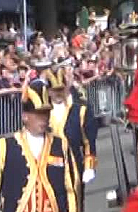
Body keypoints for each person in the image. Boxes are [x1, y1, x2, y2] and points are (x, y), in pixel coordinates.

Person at [0, 81, 79, 212]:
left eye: (46, 113)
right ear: (25, 116)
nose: (43, 118)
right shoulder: (6, 147)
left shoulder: (61, 145)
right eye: (38, 114)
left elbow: (71, 188)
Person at [47, 66, 98, 210]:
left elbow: (89, 141)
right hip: (49, 166)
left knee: (74, 202)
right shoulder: (43, 113)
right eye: (54, 90)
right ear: (49, 91)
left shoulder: (79, 110)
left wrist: (89, 166)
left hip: (73, 164)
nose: (58, 94)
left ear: (66, 88)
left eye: (60, 89)